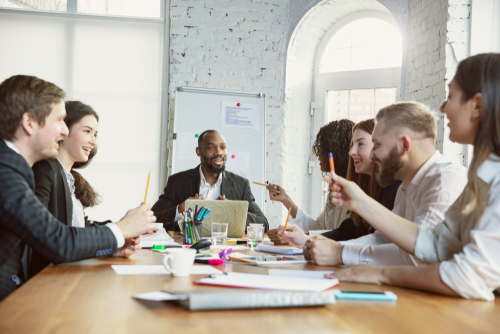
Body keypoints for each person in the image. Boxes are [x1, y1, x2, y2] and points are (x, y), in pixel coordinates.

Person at [324, 53, 500, 301]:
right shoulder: (480, 175)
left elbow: (467, 277)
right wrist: (359, 202)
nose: (442, 107)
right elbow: (437, 244)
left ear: (477, 106)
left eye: (451, 96)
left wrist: (382, 273)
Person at [0, 75, 157, 300]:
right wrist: (122, 229)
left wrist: (111, 243)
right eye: (60, 120)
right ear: (29, 123)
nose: (64, 130)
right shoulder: (5, 173)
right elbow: (57, 240)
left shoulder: (13, 169)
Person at [305, 101, 468, 267]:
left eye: (377, 145)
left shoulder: (443, 181)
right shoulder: (406, 185)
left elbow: (421, 257)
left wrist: (341, 253)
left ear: (404, 145)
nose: (373, 155)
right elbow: (382, 238)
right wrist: (335, 249)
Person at [270, 119, 401, 247]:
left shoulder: (390, 186)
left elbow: (372, 239)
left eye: (360, 144)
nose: (351, 152)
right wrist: (304, 237)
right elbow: (344, 230)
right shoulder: (355, 185)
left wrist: (308, 239)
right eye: (352, 145)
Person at [29, 101, 120, 278]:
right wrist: (118, 232)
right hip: (47, 278)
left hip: (68, 272)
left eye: (95, 134)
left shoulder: (68, 178)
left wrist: (117, 237)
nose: (93, 141)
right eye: (87, 131)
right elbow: (42, 234)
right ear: (64, 130)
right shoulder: (45, 169)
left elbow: (80, 228)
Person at [152, 130, 268, 231]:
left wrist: (233, 211)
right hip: (190, 250)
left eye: (223, 147)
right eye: (211, 148)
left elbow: (263, 223)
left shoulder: (241, 185)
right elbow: (153, 218)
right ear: (199, 151)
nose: (219, 152)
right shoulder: (177, 182)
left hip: (226, 251)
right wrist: (180, 210)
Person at [266, 119, 354, 243]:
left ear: (336, 152)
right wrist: (285, 200)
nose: (318, 155)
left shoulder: (354, 189)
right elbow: (319, 227)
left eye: (322, 149)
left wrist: (298, 236)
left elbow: (342, 234)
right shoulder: (335, 185)